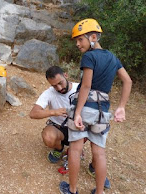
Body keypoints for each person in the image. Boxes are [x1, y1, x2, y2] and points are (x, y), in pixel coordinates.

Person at [59, 18, 132, 194]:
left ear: (93, 37)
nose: (77, 44)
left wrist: (77, 113)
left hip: (85, 108)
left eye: (80, 39)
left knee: (75, 149)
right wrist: (121, 106)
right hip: (102, 112)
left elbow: (86, 86)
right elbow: (127, 81)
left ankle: (73, 189)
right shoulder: (113, 58)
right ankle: (99, 192)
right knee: (99, 152)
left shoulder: (89, 56)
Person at [29, 66, 79, 163]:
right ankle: (59, 148)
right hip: (59, 127)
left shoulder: (80, 88)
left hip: (78, 127)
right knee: (48, 137)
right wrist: (54, 112)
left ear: (65, 75)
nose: (59, 88)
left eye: (60, 83)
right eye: (54, 86)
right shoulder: (49, 93)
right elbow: (33, 113)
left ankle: (77, 149)